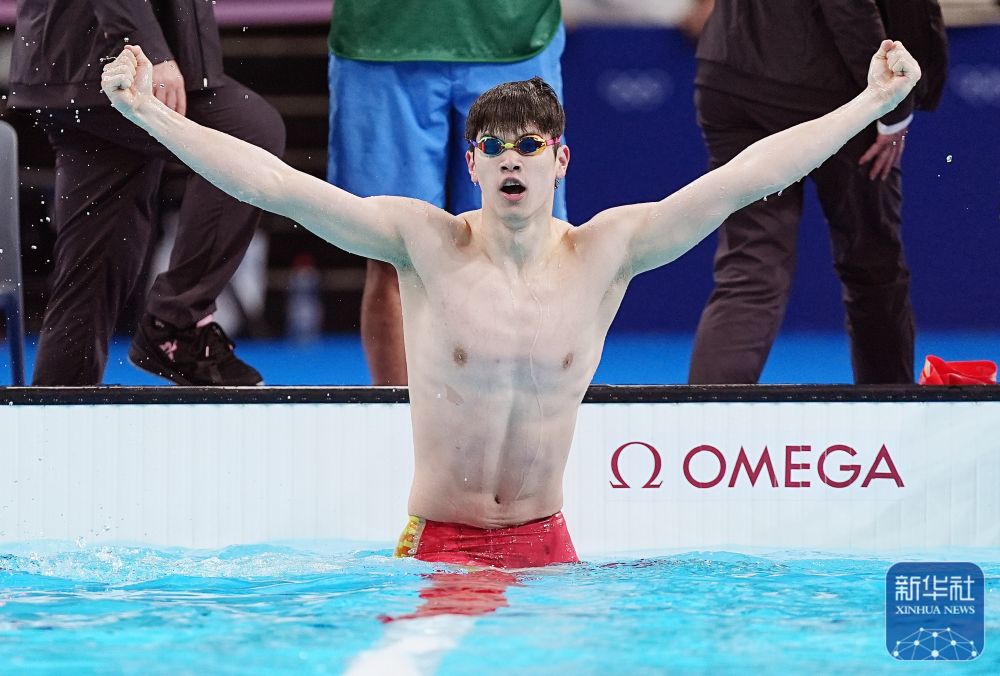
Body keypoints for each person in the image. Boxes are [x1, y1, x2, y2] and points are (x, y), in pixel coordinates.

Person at [100, 39, 921, 567]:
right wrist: (144, 114)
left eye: (529, 145)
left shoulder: (606, 253)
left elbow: (747, 178)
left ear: (560, 160)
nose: (511, 160)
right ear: (473, 164)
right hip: (440, 545)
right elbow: (275, 186)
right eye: (493, 148)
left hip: (550, 547)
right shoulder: (424, 243)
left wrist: (870, 105)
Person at [9, 0, 286, 386]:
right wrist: (150, 49)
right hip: (109, 64)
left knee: (98, 255)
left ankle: (59, 399)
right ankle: (175, 326)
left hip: (77, 64)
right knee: (249, 133)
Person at [687, 0, 948, 385]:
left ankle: (707, 418)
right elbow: (848, 7)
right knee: (872, 265)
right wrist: (891, 103)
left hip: (730, 74)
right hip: (840, 90)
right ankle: (887, 406)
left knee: (750, 270)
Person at [326, 0, 567, 386]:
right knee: (393, 250)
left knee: (523, 243)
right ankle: (399, 416)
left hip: (513, 30)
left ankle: (523, 416)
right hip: (383, 34)